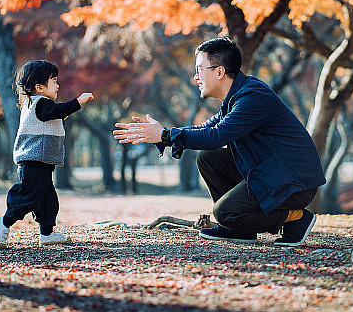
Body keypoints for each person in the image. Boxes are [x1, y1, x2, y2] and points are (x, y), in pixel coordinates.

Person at [114, 37, 325, 247]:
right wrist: (166, 134)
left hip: (293, 184)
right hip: (271, 174)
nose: (196, 77)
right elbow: (206, 128)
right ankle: (241, 230)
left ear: (219, 72)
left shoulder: (252, 97)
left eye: (199, 70)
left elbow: (217, 136)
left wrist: (166, 136)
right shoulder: (236, 98)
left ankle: (297, 218)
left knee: (225, 212)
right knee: (208, 158)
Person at [0, 60, 94, 248]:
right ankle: (4, 222)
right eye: (53, 81)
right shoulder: (40, 104)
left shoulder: (38, 105)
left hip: (41, 162)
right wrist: (78, 101)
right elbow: (58, 110)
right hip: (34, 162)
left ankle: (47, 233)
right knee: (29, 196)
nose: (58, 85)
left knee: (48, 200)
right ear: (39, 87)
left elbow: (56, 115)